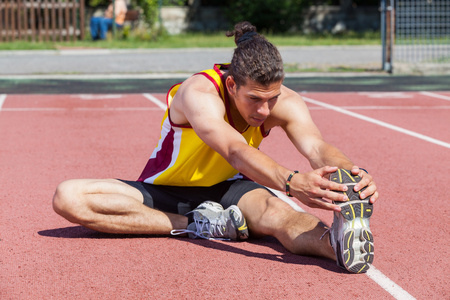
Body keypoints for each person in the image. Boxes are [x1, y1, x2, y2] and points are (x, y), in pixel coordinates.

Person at [52, 21, 379, 274]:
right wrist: (292, 182)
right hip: (164, 190)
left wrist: (350, 176)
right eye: (254, 100)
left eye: (272, 99)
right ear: (232, 84)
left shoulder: (283, 101)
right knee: (68, 197)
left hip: (230, 190)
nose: (264, 111)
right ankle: (200, 224)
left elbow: (317, 146)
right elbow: (234, 149)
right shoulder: (198, 93)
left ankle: (335, 245)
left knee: (279, 214)